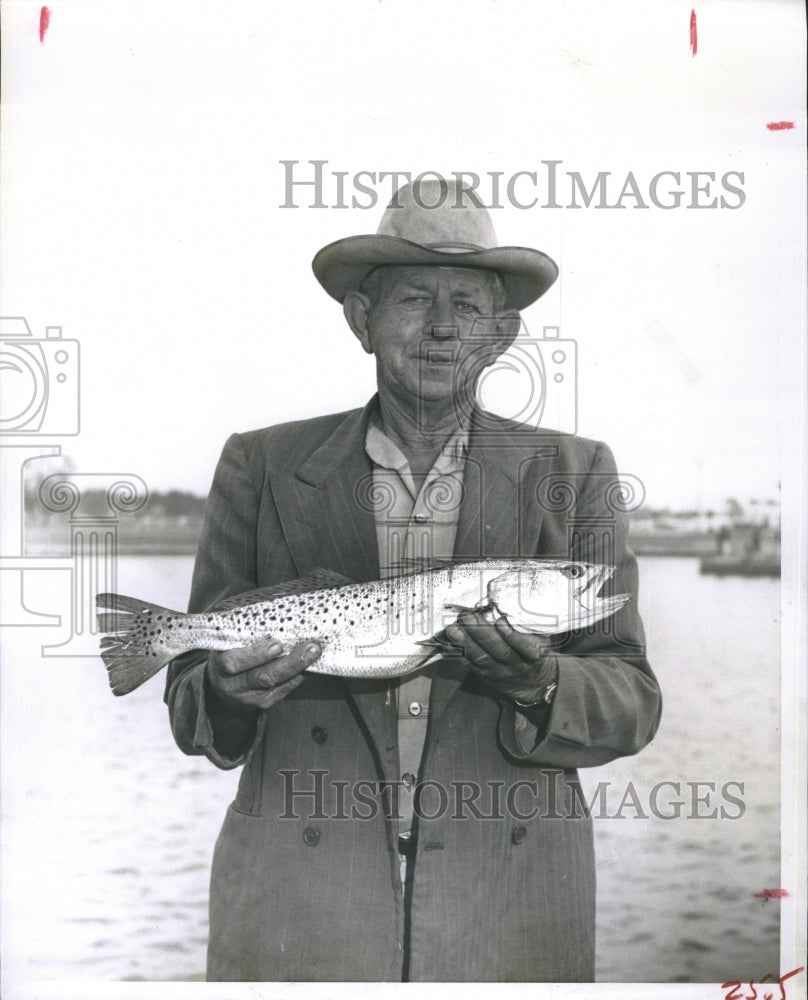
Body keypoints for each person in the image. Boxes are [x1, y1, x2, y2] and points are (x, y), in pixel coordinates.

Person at [164, 179, 662, 983]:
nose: (440, 328)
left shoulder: (577, 471)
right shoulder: (258, 463)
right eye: (412, 300)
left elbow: (632, 703)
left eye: (467, 305)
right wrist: (227, 689)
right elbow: (191, 709)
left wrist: (541, 682)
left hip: (510, 905)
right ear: (362, 321)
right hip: (300, 904)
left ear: (502, 335)